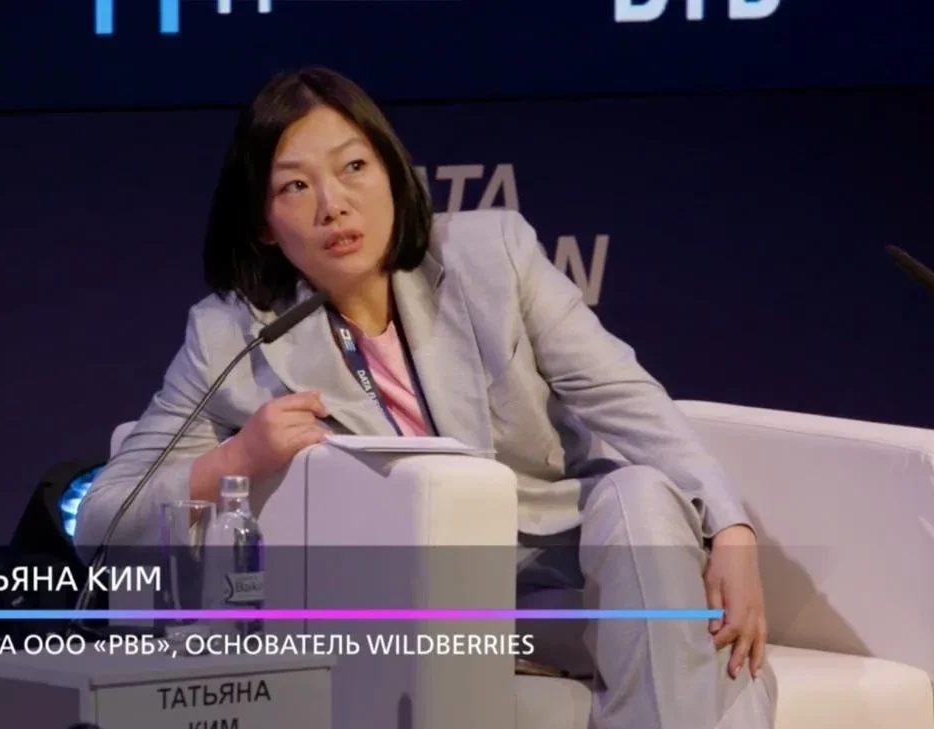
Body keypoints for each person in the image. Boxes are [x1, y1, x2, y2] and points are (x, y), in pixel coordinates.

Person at [75, 66, 774, 729]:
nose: (333, 204)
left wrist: (731, 530)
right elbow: (102, 519)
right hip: (427, 610)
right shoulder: (230, 336)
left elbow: (624, 395)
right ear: (263, 221)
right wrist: (235, 457)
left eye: (354, 167)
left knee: (642, 493)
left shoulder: (491, 255)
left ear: (393, 172)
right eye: (295, 186)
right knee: (709, 668)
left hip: (568, 574)